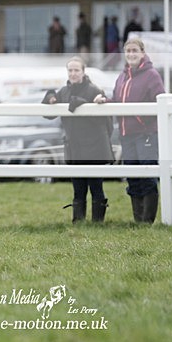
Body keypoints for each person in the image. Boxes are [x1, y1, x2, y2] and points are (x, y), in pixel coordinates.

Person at [94, 38, 165, 223]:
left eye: (135, 50)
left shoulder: (152, 75)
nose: (131, 54)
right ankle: (138, 220)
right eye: (128, 51)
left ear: (142, 53)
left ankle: (147, 222)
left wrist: (141, 119)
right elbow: (118, 101)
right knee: (133, 176)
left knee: (147, 176)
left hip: (146, 134)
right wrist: (105, 101)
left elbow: (160, 103)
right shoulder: (122, 76)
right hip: (127, 135)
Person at [43, 57, 114, 223]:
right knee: (78, 188)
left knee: (96, 187)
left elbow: (106, 123)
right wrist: (50, 96)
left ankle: (98, 223)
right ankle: (78, 222)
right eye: (70, 70)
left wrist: (83, 105)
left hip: (94, 147)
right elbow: (48, 114)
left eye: (77, 70)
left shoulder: (94, 90)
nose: (73, 73)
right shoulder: (63, 92)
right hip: (74, 147)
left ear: (83, 71)